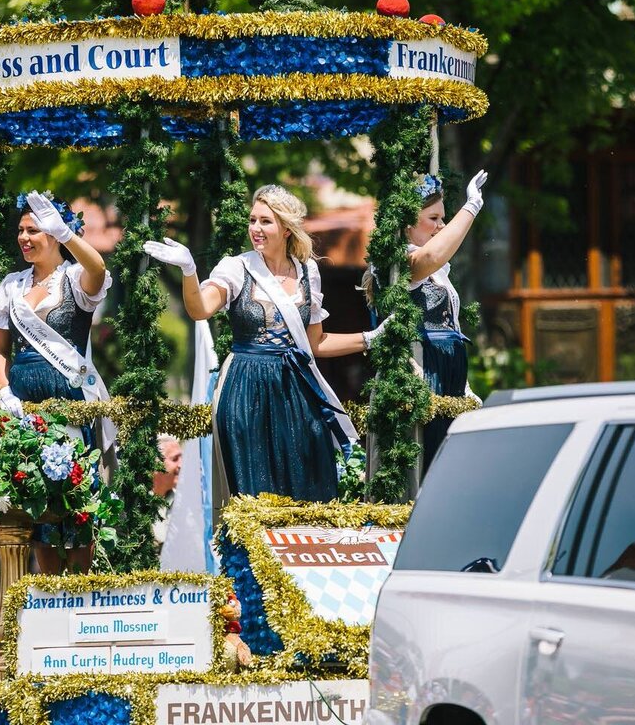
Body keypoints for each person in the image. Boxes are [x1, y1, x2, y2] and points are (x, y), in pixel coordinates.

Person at [143, 185, 386, 506]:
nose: (255, 229)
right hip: (247, 387)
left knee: (308, 480)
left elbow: (316, 342)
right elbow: (199, 309)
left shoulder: (307, 272)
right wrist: (189, 271)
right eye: (253, 220)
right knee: (255, 490)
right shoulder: (236, 267)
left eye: (265, 222)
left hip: (295, 390)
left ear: (286, 229)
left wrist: (370, 338)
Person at [0, 191, 113, 574]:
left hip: (69, 404)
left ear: (56, 235)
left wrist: (69, 236)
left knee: (76, 507)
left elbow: (99, 270)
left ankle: (78, 589)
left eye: (34, 230)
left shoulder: (75, 279)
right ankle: (46, 592)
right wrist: (4, 391)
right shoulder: (12, 286)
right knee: (36, 507)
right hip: (26, 411)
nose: (24, 238)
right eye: (21, 230)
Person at [363, 171, 487, 478]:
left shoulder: (439, 272)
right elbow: (430, 255)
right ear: (407, 223)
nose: (441, 226)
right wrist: (471, 206)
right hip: (421, 372)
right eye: (433, 218)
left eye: (443, 218)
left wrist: (465, 387)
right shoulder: (395, 263)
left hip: (448, 376)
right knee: (424, 465)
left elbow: (452, 323)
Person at [152, 434, 183, 547]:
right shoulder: (135, 506)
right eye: (175, 459)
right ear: (156, 465)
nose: (181, 464)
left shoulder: (182, 501)